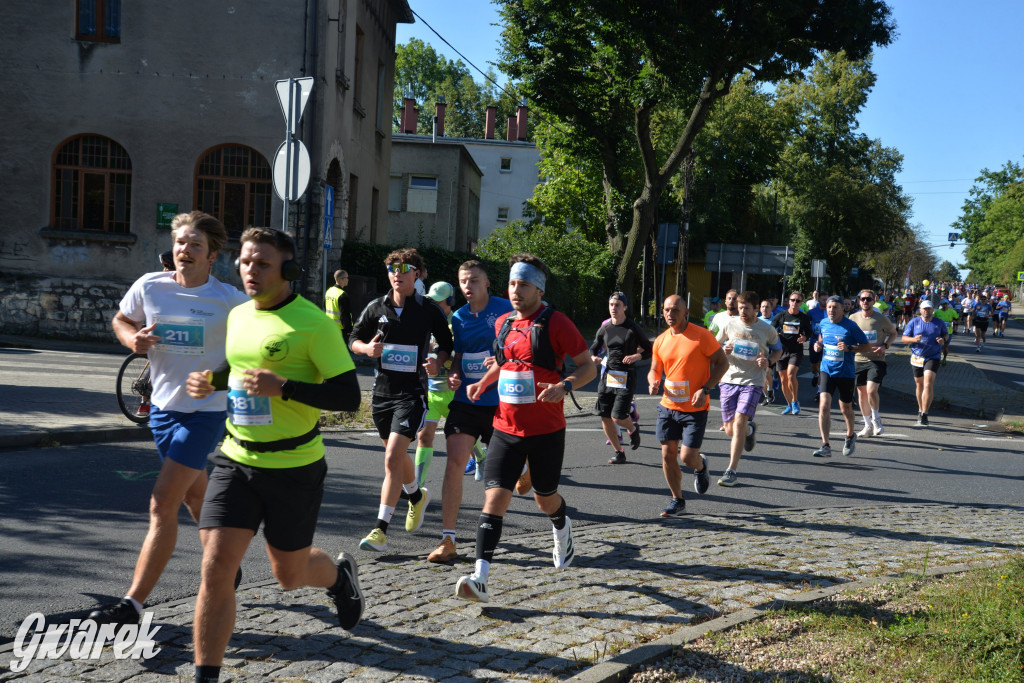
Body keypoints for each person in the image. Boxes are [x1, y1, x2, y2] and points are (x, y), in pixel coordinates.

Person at [185, 227, 364, 683]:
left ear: (288, 270)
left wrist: (283, 388)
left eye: (262, 264)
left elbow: (347, 395)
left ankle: (339, 578)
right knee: (216, 567)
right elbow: (242, 370)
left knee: (290, 573)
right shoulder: (240, 315)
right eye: (245, 262)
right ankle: (207, 675)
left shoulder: (314, 324)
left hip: (294, 466)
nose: (250, 271)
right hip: (235, 457)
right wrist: (215, 380)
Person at [89, 212, 248, 627]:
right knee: (197, 497)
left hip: (205, 414)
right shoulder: (150, 286)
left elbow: (261, 342)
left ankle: (133, 604)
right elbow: (123, 320)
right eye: (180, 242)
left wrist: (223, 379)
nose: (185, 250)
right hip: (161, 410)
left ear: (212, 255)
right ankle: (228, 561)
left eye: (195, 244)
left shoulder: (229, 299)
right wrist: (133, 340)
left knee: (163, 503)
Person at [454, 254, 597, 602]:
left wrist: (564, 386)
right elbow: (505, 364)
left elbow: (588, 367)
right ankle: (480, 578)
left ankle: (562, 529)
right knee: (495, 499)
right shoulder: (503, 322)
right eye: (513, 284)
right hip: (505, 428)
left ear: (539, 289)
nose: (516, 291)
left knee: (543, 499)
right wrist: (483, 383)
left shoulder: (556, 323)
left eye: (524, 285)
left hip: (546, 430)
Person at [350, 248, 453, 552]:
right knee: (397, 457)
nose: (397, 273)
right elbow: (352, 338)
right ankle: (416, 496)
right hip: (381, 394)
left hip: (412, 394)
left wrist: (438, 361)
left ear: (416, 274)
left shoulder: (428, 309)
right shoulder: (376, 308)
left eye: (404, 268)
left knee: (393, 456)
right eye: (392, 269)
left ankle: (380, 529)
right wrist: (366, 350)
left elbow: (446, 345)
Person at [426, 261, 513, 563]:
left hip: (501, 402)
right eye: (463, 281)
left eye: (474, 280)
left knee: (517, 477)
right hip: (467, 401)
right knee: (453, 463)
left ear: (487, 283)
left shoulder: (506, 310)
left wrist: (501, 362)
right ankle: (448, 540)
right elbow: (459, 356)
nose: (468, 286)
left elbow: (522, 347)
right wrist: (453, 373)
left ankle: (525, 473)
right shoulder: (459, 318)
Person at [648, 295, 727, 515]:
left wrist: (706, 388)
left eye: (675, 310)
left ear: (686, 312)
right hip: (668, 405)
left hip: (695, 407)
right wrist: (653, 380)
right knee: (667, 454)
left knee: (687, 457)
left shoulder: (702, 336)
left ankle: (700, 466)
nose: (670, 314)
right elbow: (655, 368)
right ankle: (677, 500)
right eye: (666, 310)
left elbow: (723, 363)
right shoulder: (661, 340)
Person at [714, 291, 781, 487]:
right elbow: (714, 345)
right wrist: (722, 350)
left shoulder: (766, 329)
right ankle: (749, 431)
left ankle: (731, 470)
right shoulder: (729, 323)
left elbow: (778, 349)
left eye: (746, 308)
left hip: (753, 381)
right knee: (730, 430)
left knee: (740, 420)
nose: (742, 311)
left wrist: (768, 361)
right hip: (728, 378)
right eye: (740, 307)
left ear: (754, 309)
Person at [590, 292, 653, 464]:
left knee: (617, 416)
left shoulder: (632, 328)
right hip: (608, 376)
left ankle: (633, 429)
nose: (613, 308)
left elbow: (649, 349)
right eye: (611, 305)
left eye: (617, 305)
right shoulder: (605, 328)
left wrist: (636, 357)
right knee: (605, 416)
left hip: (626, 377)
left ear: (624, 307)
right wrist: (593, 358)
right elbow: (594, 348)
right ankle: (619, 452)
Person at [811, 296, 871, 458]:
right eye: (829, 307)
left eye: (835, 307)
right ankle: (825, 445)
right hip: (826, 370)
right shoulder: (823, 323)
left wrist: (849, 348)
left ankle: (850, 435)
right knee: (824, 404)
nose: (831, 310)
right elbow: (822, 338)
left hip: (845, 373)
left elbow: (866, 346)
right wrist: (819, 345)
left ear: (842, 309)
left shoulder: (851, 326)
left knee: (845, 408)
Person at [413, 281, 457, 488]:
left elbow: (457, 353)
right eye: (433, 301)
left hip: (452, 391)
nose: (436, 306)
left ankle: (481, 456)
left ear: (450, 301)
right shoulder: (427, 320)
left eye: (439, 302)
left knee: (461, 437)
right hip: (431, 388)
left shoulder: (457, 323)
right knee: (425, 435)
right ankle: (417, 486)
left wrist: (434, 347)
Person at [849, 288, 898, 437]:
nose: (865, 301)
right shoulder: (853, 317)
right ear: (859, 300)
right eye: (863, 299)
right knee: (862, 394)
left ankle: (876, 419)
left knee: (871, 390)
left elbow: (894, 333)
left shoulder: (881, 318)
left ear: (874, 300)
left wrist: (885, 346)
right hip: (858, 359)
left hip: (876, 360)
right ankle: (867, 425)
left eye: (868, 299)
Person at [901, 299, 948, 427]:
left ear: (933, 310)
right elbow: (904, 338)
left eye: (929, 308)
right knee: (919, 384)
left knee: (928, 383)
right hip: (917, 356)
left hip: (933, 356)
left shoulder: (938, 323)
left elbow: (946, 335)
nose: (926, 311)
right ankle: (920, 410)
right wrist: (913, 339)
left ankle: (925, 414)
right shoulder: (914, 322)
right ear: (920, 310)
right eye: (924, 308)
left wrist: (942, 340)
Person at [771, 291, 813, 415]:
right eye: (793, 300)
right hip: (781, 351)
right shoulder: (781, 315)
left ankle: (795, 401)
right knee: (783, 379)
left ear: (801, 303)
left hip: (796, 351)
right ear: (789, 301)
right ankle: (789, 404)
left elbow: (809, 332)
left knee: (790, 375)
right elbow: (771, 328)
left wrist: (804, 338)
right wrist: (775, 334)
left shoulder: (803, 317)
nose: (795, 303)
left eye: (798, 301)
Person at [806, 290, 830, 394]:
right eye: (823, 299)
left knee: (822, 367)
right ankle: (815, 375)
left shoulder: (830, 312)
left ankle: (819, 392)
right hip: (814, 342)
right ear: (818, 299)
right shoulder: (812, 312)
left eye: (827, 300)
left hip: (826, 344)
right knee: (814, 366)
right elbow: (806, 324)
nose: (825, 301)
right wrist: (808, 332)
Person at [324, 269, 353, 343]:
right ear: (342, 279)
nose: (348, 280)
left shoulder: (329, 291)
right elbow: (345, 315)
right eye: (347, 277)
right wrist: (349, 330)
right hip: (340, 330)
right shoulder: (343, 295)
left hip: (329, 327)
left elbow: (325, 307)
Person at [933, 299, 958, 365]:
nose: (945, 306)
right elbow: (932, 320)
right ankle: (937, 358)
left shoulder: (952, 311)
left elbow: (957, 319)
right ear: (941, 305)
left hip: (948, 332)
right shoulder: (937, 312)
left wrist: (955, 322)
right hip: (939, 332)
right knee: (938, 345)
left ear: (948, 305)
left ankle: (944, 358)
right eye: (943, 304)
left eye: (946, 304)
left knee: (946, 346)